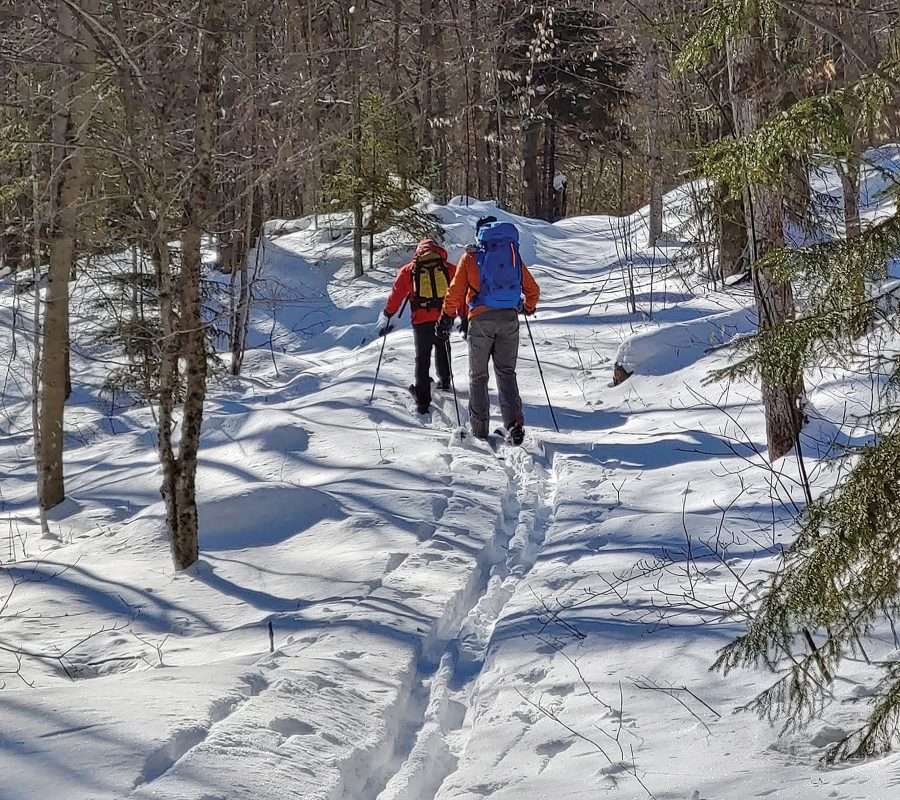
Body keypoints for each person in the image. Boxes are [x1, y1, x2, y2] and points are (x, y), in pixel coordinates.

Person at [436, 216, 540, 444]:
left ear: (479, 234)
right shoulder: (512, 255)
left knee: (478, 376)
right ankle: (514, 425)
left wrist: (446, 316)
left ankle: (480, 430)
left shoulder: (471, 257)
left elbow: (455, 292)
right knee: (506, 372)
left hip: (480, 320)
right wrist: (527, 307)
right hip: (509, 318)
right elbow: (533, 289)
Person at [377, 239, 462, 414]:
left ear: (419, 251)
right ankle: (445, 380)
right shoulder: (448, 268)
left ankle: (422, 400)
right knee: (443, 346)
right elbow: (459, 290)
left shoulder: (410, 270)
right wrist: (463, 315)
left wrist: (388, 313)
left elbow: (397, 294)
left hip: (421, 319)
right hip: (443, 316)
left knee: (422, 357)